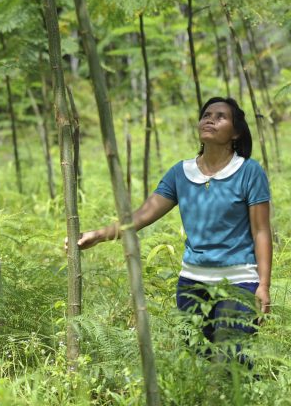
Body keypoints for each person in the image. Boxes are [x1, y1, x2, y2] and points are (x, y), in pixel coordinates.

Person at [75, 96, 272, 356]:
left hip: (238, 282)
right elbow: (142, 215)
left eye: (220, 116)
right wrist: (100, 235)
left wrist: (264, 285)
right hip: (192, 284)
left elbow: (261, 231)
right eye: (206, 115)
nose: (210, 119)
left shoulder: (249, 171)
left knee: (233, 360)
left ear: (236, 132)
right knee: (197, 360)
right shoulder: (181, 173)